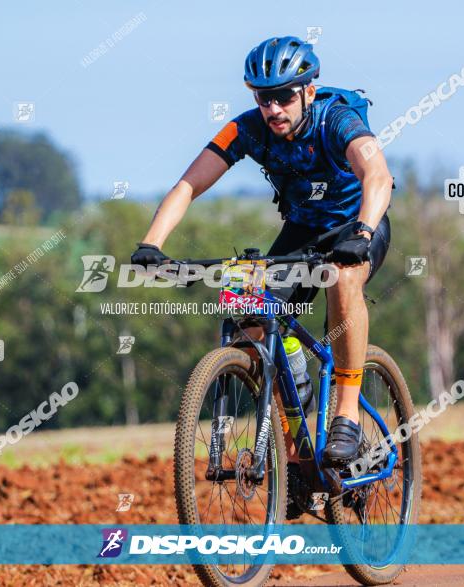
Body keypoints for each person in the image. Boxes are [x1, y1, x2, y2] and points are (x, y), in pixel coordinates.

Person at [130, 36, 393, 471]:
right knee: (248, 304)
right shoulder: (247, 128)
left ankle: (345, 412)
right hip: (305, 230)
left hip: (357, 223)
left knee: (344, 278)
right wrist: (151, 244)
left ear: (308, 90)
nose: (273, 108)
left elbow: (378, 176)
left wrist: (362, 232)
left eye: (283, 96)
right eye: (262, 97)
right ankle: (291, 448)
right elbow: (188, 186)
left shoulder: (338, 119)